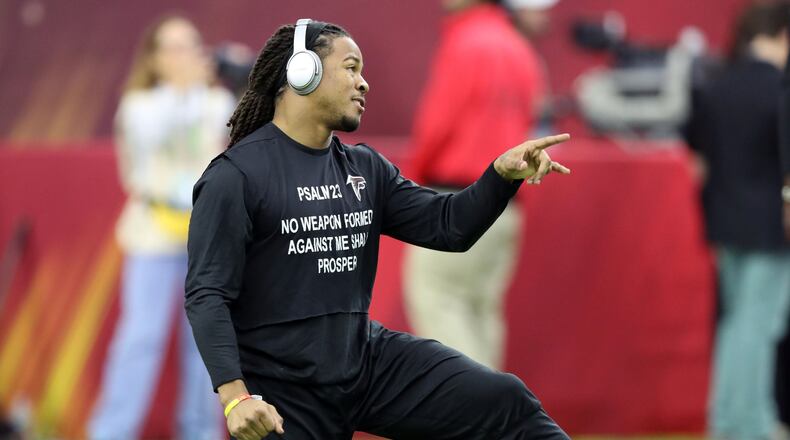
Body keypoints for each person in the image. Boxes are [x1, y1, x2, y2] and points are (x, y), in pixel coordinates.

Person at [185, 18, 572, 439]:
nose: (363, 84)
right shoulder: (235, 176)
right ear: (302, 71)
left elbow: (450, 227)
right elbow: (207, 295)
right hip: (283, 392)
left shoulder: (364, 167)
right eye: (351, 68)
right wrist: (236, 397)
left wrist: (500, 176)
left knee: (505, 402)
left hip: (364, 363)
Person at [89, 15, 234, 440]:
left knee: (205, 345)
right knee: (140, 339)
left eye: (191, 45)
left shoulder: (216, 102)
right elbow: (152, 150)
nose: (184, 56)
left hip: (203, 237)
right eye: (172, 48)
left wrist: (216, 85)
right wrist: (185, 94)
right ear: (154, 57)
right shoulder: (139, 106)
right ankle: (111, 431)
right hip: (151, 232)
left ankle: (202, 432)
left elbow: (215, 153)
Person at [402, 0, 547, 371]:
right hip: (505, 204)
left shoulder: (465, 42)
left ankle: (473, 413)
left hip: (455, 202)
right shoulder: (518, 47)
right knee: (480, 311)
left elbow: (436, 125)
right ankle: (493, 414)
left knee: (440, 301)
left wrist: (411, 184)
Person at [684, 3, 790, 439]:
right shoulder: (779, 90)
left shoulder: (717, 85)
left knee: (734, 324)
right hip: (770, 225)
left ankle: (728, 419)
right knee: (759, 326)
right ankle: (754, 424)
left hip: (724, 222)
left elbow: (697, 155)